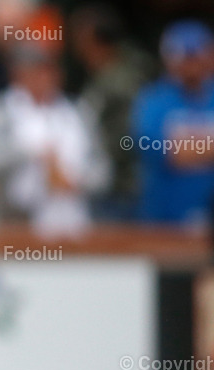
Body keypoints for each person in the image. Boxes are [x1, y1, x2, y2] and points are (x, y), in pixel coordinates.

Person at [0, 42, 109, 238]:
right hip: (12, 221)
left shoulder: (78, 111)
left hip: (73, 223)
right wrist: (30, 152)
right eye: (34, 70)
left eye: (48, 70)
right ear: (18, 74)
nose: (43, 78)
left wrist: (77, 181)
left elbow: (103, 171)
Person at [70, 3, 154, 221]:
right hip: (107, 186)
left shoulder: (124, 80)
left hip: (123, 190)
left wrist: (91, 158)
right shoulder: (105, 74)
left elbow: (132, 136)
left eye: (79, 38)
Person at [132, 20, 214, 226]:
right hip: (165, 220)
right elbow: (167, 152)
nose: (194, 64)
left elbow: (182, 150)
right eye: (187, 57)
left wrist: (188, 145)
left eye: (199, 55)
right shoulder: (154, 101)